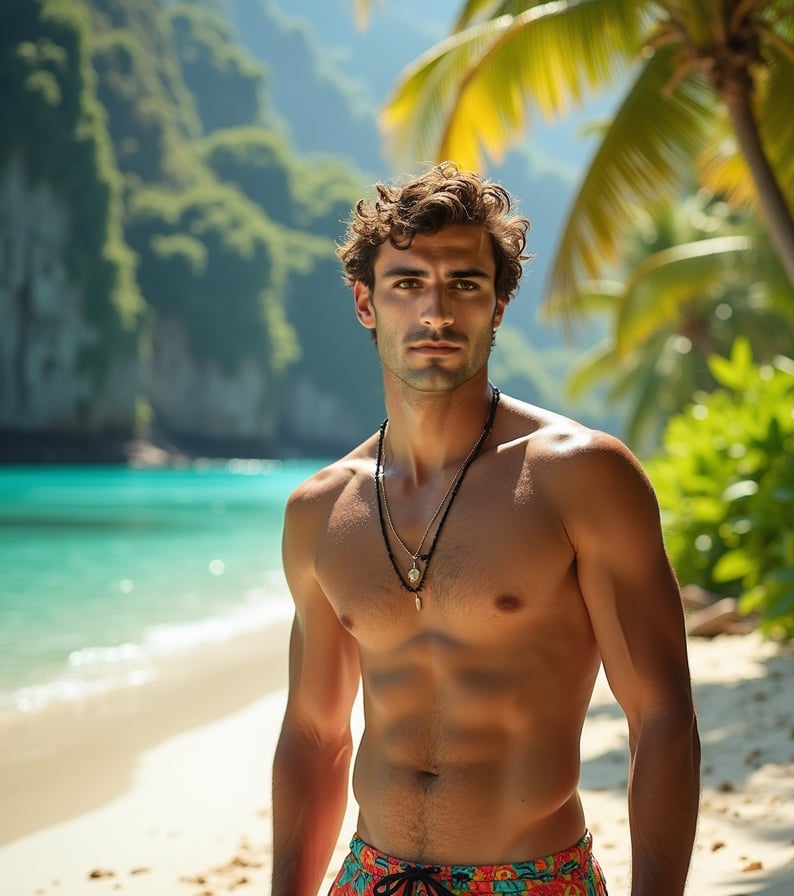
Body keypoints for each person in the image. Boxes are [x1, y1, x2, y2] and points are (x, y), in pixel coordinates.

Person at [272, 162, 700, 896]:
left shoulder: (581, 476)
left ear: (498, 306)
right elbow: (315, 734)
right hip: (372, 875)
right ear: (365, 303)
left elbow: (661, 718)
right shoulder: (320, 509)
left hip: (530, 879)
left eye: (465, 284)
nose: (435, 312)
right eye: (406, 283)